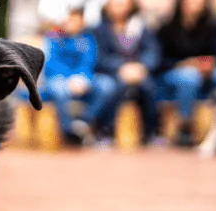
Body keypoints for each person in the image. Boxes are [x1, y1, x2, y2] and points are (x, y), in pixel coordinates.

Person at [156, 0, 216, 147]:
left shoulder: (214, 26)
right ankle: (185, 126)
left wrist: (211, 64)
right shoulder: (167, 27)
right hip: (175, 74)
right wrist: (184, 64)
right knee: (189, 77)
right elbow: (159, 61)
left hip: (207, 73)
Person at [40, 4, 114, 145]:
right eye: (70, 18)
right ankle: (69, 132)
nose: (72, 22)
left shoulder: (88, 38)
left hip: (82, 80)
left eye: (76, 18)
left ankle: (83, 122)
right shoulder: (52, 38)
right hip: (58, 79)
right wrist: (70, 79)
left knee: (107, 85)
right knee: (60, 90)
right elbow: (51, 64)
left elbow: (89, 61)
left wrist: (82, 78)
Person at [92, 0, 161, 145]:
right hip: (112, 73)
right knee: (114, 87)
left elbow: (152, 52)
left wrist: (141, 67)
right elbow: (99, 56)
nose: (119, 6)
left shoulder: (141, 27)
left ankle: (151, 132)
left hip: (139, 72)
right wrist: (121, 67)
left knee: (149, 86)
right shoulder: (100, 29)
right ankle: (105, 131)